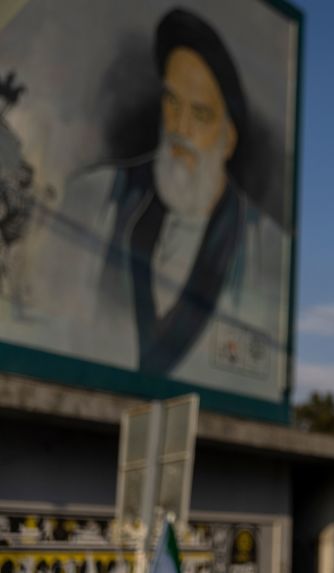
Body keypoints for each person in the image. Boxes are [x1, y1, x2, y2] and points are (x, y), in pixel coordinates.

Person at [30, 8, 281, 382]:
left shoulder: (266, 249)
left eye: (200, 114)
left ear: (228, 139)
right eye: (172, 102)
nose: (179, 129)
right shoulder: (92, 198)